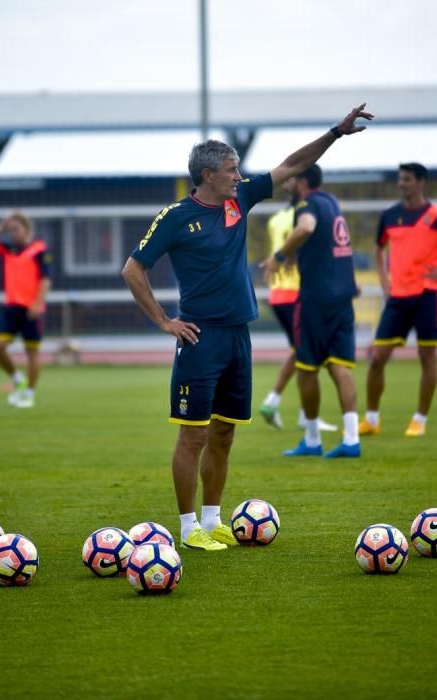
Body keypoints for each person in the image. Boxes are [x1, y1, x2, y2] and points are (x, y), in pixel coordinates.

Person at [122, 103, 373, 551]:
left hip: (240, 335)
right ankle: (187, 529)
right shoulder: (176, 216)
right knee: (193, 434)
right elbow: (132, 269)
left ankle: (214, 520)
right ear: (207, 175)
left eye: (239, 168)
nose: (239, 175)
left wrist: (336, 132)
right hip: (199, 338)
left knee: (225, 431)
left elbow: (294, 164)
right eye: (231, 169)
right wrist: (164, 321)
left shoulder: (240, 200)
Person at [261, 164, 361, 458]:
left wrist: (280, 256)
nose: (286, 181)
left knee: (306, 369)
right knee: (339, 366)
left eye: (291, 177)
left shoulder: (307, 204)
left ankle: (313, 439)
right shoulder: (330, 202)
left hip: (315, 298)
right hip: (343, 295)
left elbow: (306, 227)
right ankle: (352, 439)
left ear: (302, 180)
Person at [358, 162, 437, 437]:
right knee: (377, 358)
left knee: (427, 357)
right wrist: (384, 281)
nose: (402, 184)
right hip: (397, 297)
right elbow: (379, 249)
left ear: (421, 182)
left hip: (426, 295)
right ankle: (372, 420)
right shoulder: (389, 215)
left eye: (407, 179)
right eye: (400, 179)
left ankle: (419, 420)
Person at [259, 176, 337, 433]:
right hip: (297, 291)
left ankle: (291, 408)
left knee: (302, 351)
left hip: (277, 292)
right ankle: (279, 403)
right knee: (309, 353)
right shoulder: (308, 214)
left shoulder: (275, 219)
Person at [0, 213, 52, 408]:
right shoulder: (8, 249)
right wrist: (1, 226)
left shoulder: (40, 250)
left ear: (27, 229)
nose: (12, 234)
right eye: (10, 230)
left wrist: (37, 304)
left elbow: (45, 280)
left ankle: (29, 394)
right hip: (11, 308)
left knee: (31, 352)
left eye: (16, 229)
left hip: (31, 309)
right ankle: (17, 379)